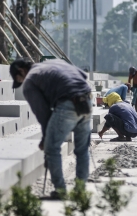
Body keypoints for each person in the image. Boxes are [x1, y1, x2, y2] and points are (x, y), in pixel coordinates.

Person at [10, 58, 92, 199]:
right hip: (87, 99)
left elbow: (43, 113)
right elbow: (82, 76)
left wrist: (45, 139)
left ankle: (60, 191)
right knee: (82, 149)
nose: (21, 82)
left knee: (52, 148)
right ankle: (80, 191)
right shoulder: (54, 62)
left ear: (21, 71)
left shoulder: (30, 81)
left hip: (68, 103)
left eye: (19, 79)